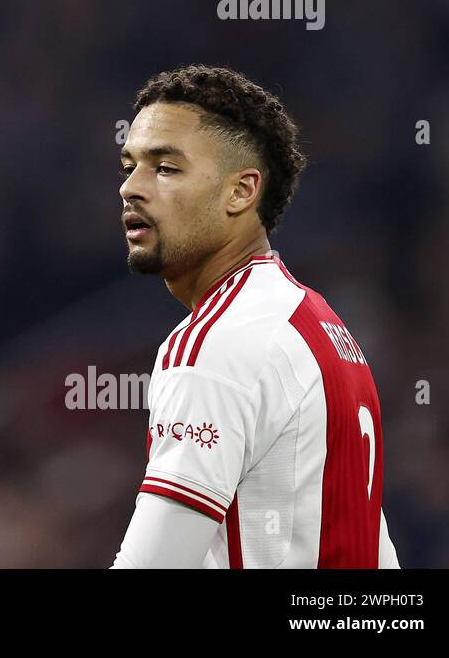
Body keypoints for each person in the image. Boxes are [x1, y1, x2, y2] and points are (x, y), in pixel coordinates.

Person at [110, 65, 400, 568]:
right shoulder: (319, 326)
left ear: (242, 191)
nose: (131, 188)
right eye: (129, 165)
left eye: (165, 168)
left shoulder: (214, 344)